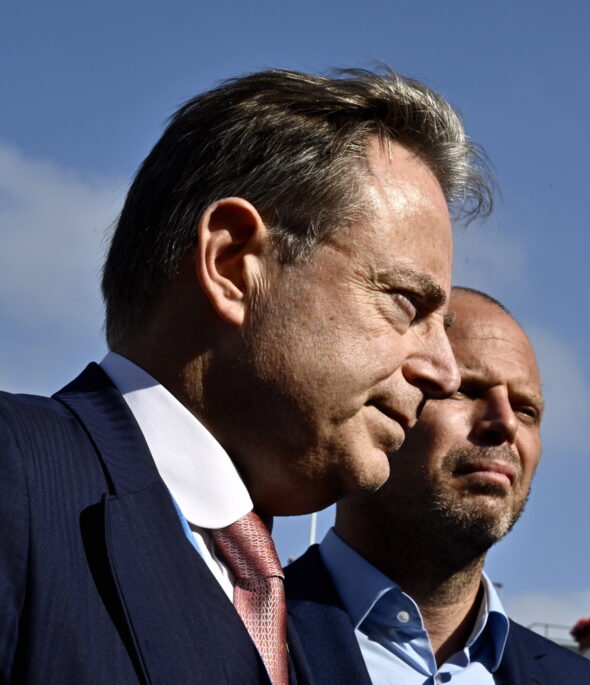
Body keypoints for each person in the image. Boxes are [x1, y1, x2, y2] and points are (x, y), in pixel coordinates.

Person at [0, 68, 491, 684]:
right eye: (405, 303)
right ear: (232, 264)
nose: (444, 372)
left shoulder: (307, 630)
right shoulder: (17, 479)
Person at [286, 287, 590, 684]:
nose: (506, 424)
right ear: (375, 409)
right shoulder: (240, 632)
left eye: (526, 410)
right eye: (463, 390)